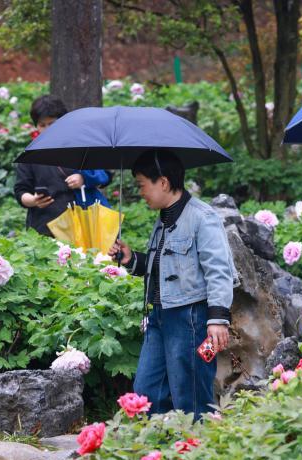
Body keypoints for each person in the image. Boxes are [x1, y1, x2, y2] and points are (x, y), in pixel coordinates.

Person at [108, 149, 237, 421]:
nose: (140, 192)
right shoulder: (163, 220)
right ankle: (161, 442)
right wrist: (131, 259)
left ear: (163, 182)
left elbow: (219, 271)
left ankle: (197, 444)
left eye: (142, 185)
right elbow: (166, 267)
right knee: (146, 392)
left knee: (191, 395)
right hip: (159, 317)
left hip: (191, 319)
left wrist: (217, 320)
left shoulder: (202, 217)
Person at [14, 95, 112, 236]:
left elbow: (106, 175)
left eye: (52, 123)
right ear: (36, 126)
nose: (47, 129)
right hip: (46, 228)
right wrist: (33, 200)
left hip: (84, 224)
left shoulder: (80, 146)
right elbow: (21, 191)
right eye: (42, 125)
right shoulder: (30, 154)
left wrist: (84, 178)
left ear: (63, 121)